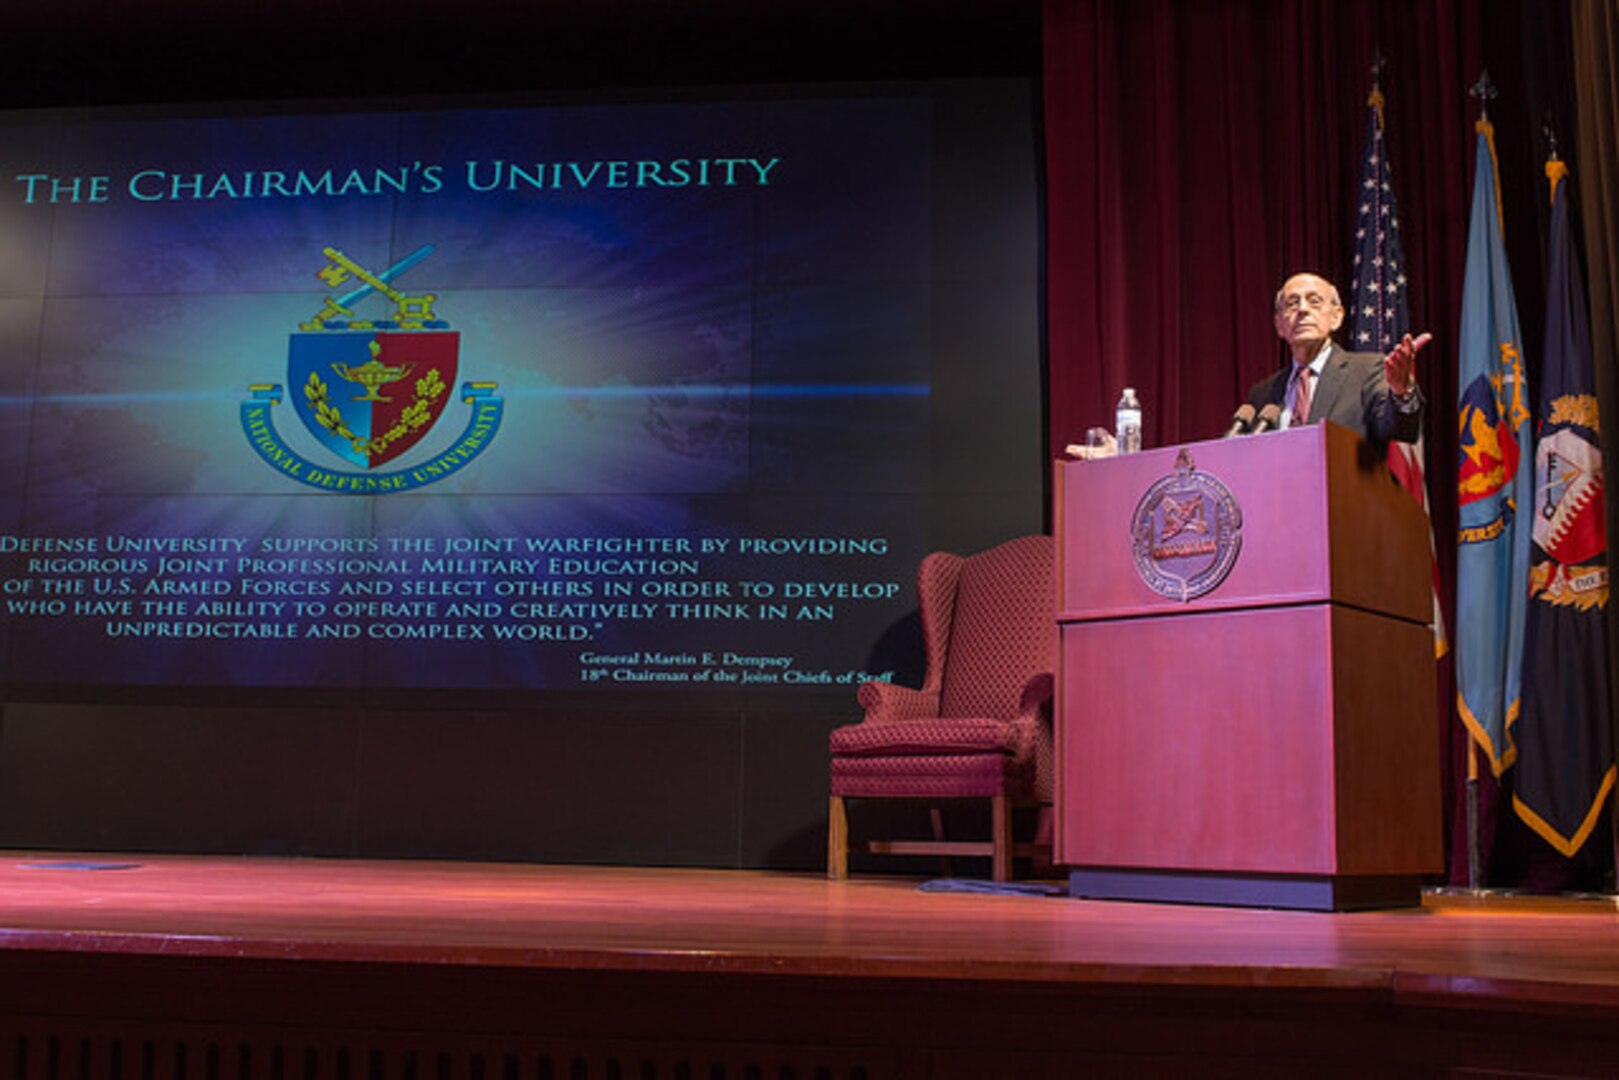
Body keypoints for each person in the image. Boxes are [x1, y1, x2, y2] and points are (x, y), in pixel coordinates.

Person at [1247, 271, 1431, 446]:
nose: (1302, 309)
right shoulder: (1263, 393)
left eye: (1314, 301)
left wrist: (1400, 393)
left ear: (1336, 317)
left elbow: (1401, 430)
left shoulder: (1367, 371)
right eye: (1292, 303)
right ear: (1279, 324)